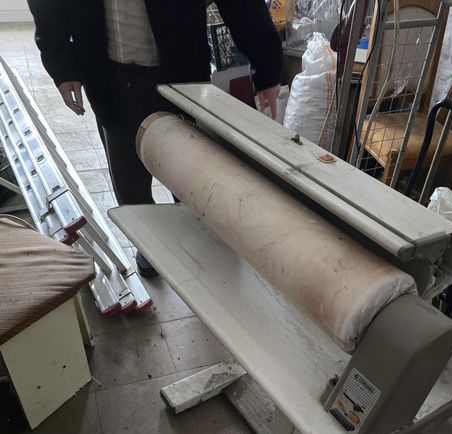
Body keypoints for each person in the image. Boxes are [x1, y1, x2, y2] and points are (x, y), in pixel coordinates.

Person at [27, 0, 283, 277]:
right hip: (109, 75)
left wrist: (266, 66)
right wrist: (61, 64)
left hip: (180, 70)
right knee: (129, 182)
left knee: (193, 177)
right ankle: (150, 243)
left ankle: (203, 245)